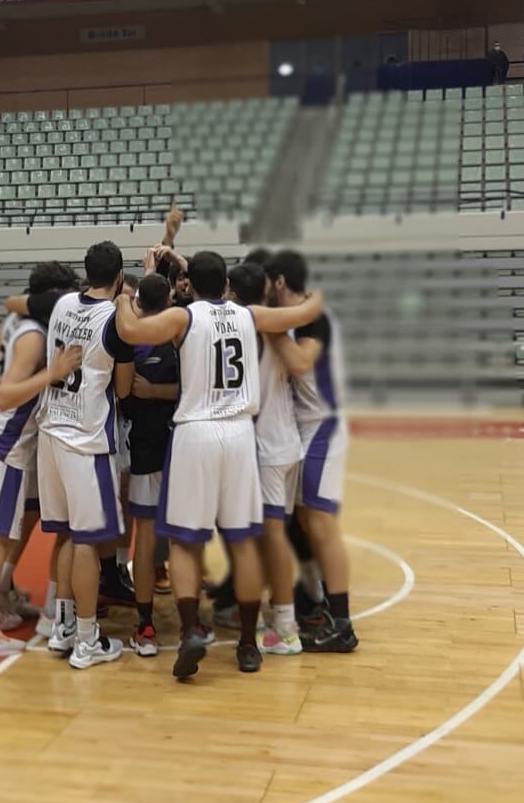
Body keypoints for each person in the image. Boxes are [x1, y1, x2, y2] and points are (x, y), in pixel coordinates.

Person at [111, 251, 326, 679]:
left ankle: (192, 630)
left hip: (196, 432)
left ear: (193, 281)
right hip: (240, 434)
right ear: (226, 282)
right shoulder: (250, 315)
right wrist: (316, 295)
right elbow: (307, 310)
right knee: (243, 543)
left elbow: (130, 329)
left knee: (187, 545)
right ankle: (248, 645)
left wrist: (126, 292)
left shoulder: (183, 317)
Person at [0, 264, 86, 657]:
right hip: (7, 439)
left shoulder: (15, 321)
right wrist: (53, 372)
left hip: (4, 435)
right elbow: (4, 394)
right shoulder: (33, 335)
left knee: (8, 528)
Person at [35, 240, 136, 670]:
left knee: (67, 535)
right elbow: (125, 388)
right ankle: (89, 640)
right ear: (117, 278)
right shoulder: (116, 320)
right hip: (86, 439)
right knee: (88, 543)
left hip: (51, 431)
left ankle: (63, 626)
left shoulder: (59, 306)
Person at [262, 249, 358, 654]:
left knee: (321, 524)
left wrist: (269, 330)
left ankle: (343, 622)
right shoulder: (297, 315)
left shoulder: (310, 317)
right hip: (306, 426)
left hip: (324, 426)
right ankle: (315, 599)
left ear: (280, 281)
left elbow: (302, 362)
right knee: (303, 519)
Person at [227, 258, 303, 657]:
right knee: (263, 538)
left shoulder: (248, 326)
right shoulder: (278, 322)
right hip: (286, 441)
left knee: (269, 539)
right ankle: (260, 613)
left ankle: (286, 627)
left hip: (268, 447)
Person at [120, 269, 179, 657]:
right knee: (186, 537)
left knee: (143, 541)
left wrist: (151, 391)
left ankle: (144, 625)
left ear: (138, 303)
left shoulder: (131, 343)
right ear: (171, 302)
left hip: (143, 453)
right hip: (181, 450)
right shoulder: (182, 340)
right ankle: (193, 620)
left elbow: (123, 392)